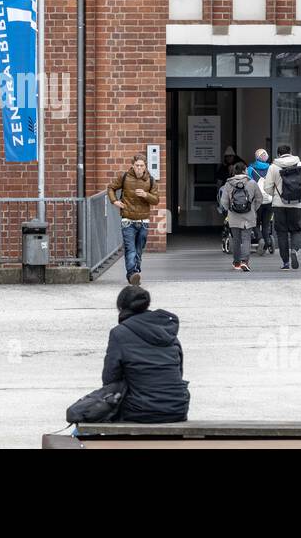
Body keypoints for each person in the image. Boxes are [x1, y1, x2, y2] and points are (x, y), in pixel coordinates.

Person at [102, 284, 189, 423]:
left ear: (121, 307)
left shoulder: (119, 333)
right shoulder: (167, 330)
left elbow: (109, 378)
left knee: (93, 412)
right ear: (146, 305)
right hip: (177, 408)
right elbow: (179, 371)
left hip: (140, 410)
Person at [106, 154, 159, 284]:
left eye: (142, 166)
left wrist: (146, 195)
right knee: (131, 249)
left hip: (143, 222)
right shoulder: (124, 177)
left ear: (145, 166)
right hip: (127, 221)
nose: (139, 168)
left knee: (139, 251)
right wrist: (115, 201)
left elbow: (156, 200)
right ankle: (133, 274)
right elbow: (111, 188)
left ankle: (134, 272)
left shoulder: (151, 180)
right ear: (132, 166)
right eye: (137, 165)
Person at [262, 144, 301, 270]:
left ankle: (285, 262)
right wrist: (300, 194)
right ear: (290, 152)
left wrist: (275, 195)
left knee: (281, 233)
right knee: (295, 229)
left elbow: (267, 187)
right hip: (297, 204)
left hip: (279, 204)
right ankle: (294, 251)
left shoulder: (273, 167)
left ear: (278, 154)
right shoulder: (300, 165)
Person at [218, 162, 264, 272]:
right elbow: (259, 199)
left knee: (236, 239)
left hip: (233, 216)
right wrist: (253, 209)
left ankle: (237, 262)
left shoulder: (228, 184)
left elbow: (223, 201)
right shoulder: (252, 183)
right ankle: (245, 261)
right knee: (246, 238)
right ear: (245, 170)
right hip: (249, 215)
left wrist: (230, 209)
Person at [247, 148, 274, 254]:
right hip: (269, 199)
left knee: (255, 222)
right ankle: (267, 241)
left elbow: (248, 184)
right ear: (266, 156)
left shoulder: (250, 169)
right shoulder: (271, 168)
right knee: (266, 224)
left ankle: (260, 239)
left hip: (256, 200)